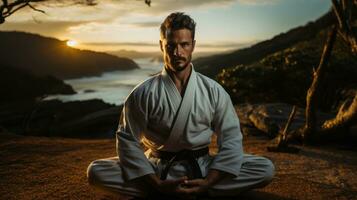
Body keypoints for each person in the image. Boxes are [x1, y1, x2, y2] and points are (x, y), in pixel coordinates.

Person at [87, 12, 275, 199]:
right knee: (96, 171)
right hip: (156, 167)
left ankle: (193, 189)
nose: (178, 52)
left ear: (193, 45)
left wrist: (209, 180)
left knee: (264, 169)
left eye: (184, 44)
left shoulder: (213, 90)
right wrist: (156, 182)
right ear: (162, 45)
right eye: (171, 45)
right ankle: (169, 189)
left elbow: (231, 139)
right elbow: (128, 141)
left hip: (202, 166)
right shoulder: (143, 93)